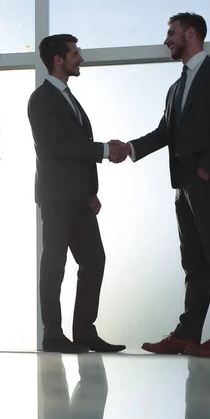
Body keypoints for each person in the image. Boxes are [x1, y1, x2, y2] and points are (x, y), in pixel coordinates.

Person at [113, 13, 210, 357]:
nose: (166, 40)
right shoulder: (175, 88)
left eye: (171, 33)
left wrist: (206, 167)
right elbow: (164, 133)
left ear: (191, 33)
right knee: (194, 264)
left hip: (208, 179)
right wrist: (130, 148)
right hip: (182, 185)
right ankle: (188, 334)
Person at [27, 34, 126, 354]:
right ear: (58, 59)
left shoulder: (68, 97)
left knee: (94, 260)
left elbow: (73, 147)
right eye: (75, 53)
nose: (79, 58)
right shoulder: (41, 99)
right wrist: (104, 150)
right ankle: (53, 335)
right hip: (56, 197)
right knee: (54, 265)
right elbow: (56, 147)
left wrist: (90, 191)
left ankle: (83, 333)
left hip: (78, 198)